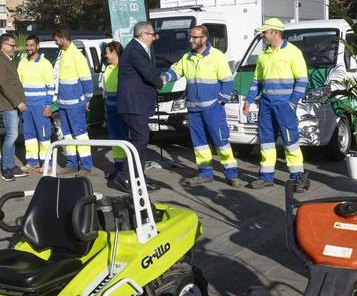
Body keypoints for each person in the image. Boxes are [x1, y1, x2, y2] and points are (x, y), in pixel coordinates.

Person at [164, 25, 239, 186]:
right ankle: (205, 173)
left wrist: (220, 101)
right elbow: (175, 72)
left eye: (194, 37)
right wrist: (163, 78)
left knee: (221, 141)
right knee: (200, 144)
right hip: (193, 109)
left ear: (204, 39)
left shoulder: (216, 56)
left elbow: (227, 81)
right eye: (189, 37)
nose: (190, 40)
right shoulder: (187, 57)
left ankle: (231, 174)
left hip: (213, 109)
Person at [242, 18, 309, 191]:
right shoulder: (263, 55)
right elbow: (257, 81)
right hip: (266, 105)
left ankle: (297, 178)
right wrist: (248, 100)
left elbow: (302, 80)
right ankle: (266, 176)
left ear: (275, 32)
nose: (262, 35)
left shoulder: (293, 52)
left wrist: (292, 104)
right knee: (266, 142)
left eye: (265, 32)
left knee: (290, 142)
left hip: (284, 107)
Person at [116, 21, 165, 188]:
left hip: (136, 105)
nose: (154, 38)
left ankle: (138, 177)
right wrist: (161, 81)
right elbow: (148, 73)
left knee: (141, 139)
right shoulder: (135, 50)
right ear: (143, 35)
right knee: (141, 139)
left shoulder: (135, 49)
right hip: (133, 105)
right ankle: (124, 175)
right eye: (152, 35)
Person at [53, 28, 94, 174]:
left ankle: (86, 165)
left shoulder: (76, 55)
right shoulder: (62, 53)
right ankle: (71, 163)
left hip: (75, 104)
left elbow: (86, 78)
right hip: (63, 103)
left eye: (57, 40)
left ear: (63, 39)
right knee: (67, 134)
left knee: (80, 134)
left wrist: (88, 98)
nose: (56, 42)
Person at [0, 34, 28, 181]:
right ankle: (5, 168)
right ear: (3, 46)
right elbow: (3, 84)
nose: (14, 48)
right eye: (12, 45)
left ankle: (12, 166)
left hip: (13, 104)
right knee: (11, 136)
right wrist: (17, 102)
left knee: (12, 137)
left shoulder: (6, 59)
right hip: (9, 104)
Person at [17, 34, 54, 170]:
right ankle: (32, 162)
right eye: (27, 45)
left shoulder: (45, 64)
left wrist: (48, 105)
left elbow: (50, 86)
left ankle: (47, 163)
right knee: (29, 136)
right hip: (26, 106)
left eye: (31, 45)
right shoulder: (22, 63)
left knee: (44, 135)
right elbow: (19, 85)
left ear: (37, 46)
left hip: (40, 106)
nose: (29, 48)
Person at [101, 41, 126, 174]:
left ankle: (126, 169)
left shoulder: (124, 68)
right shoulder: (108, 69)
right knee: (114, 138)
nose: (106, 56)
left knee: (124, 138)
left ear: (115, 53)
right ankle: (118, 169)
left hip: (122, 110)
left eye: (107, 53)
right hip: (111, 111)